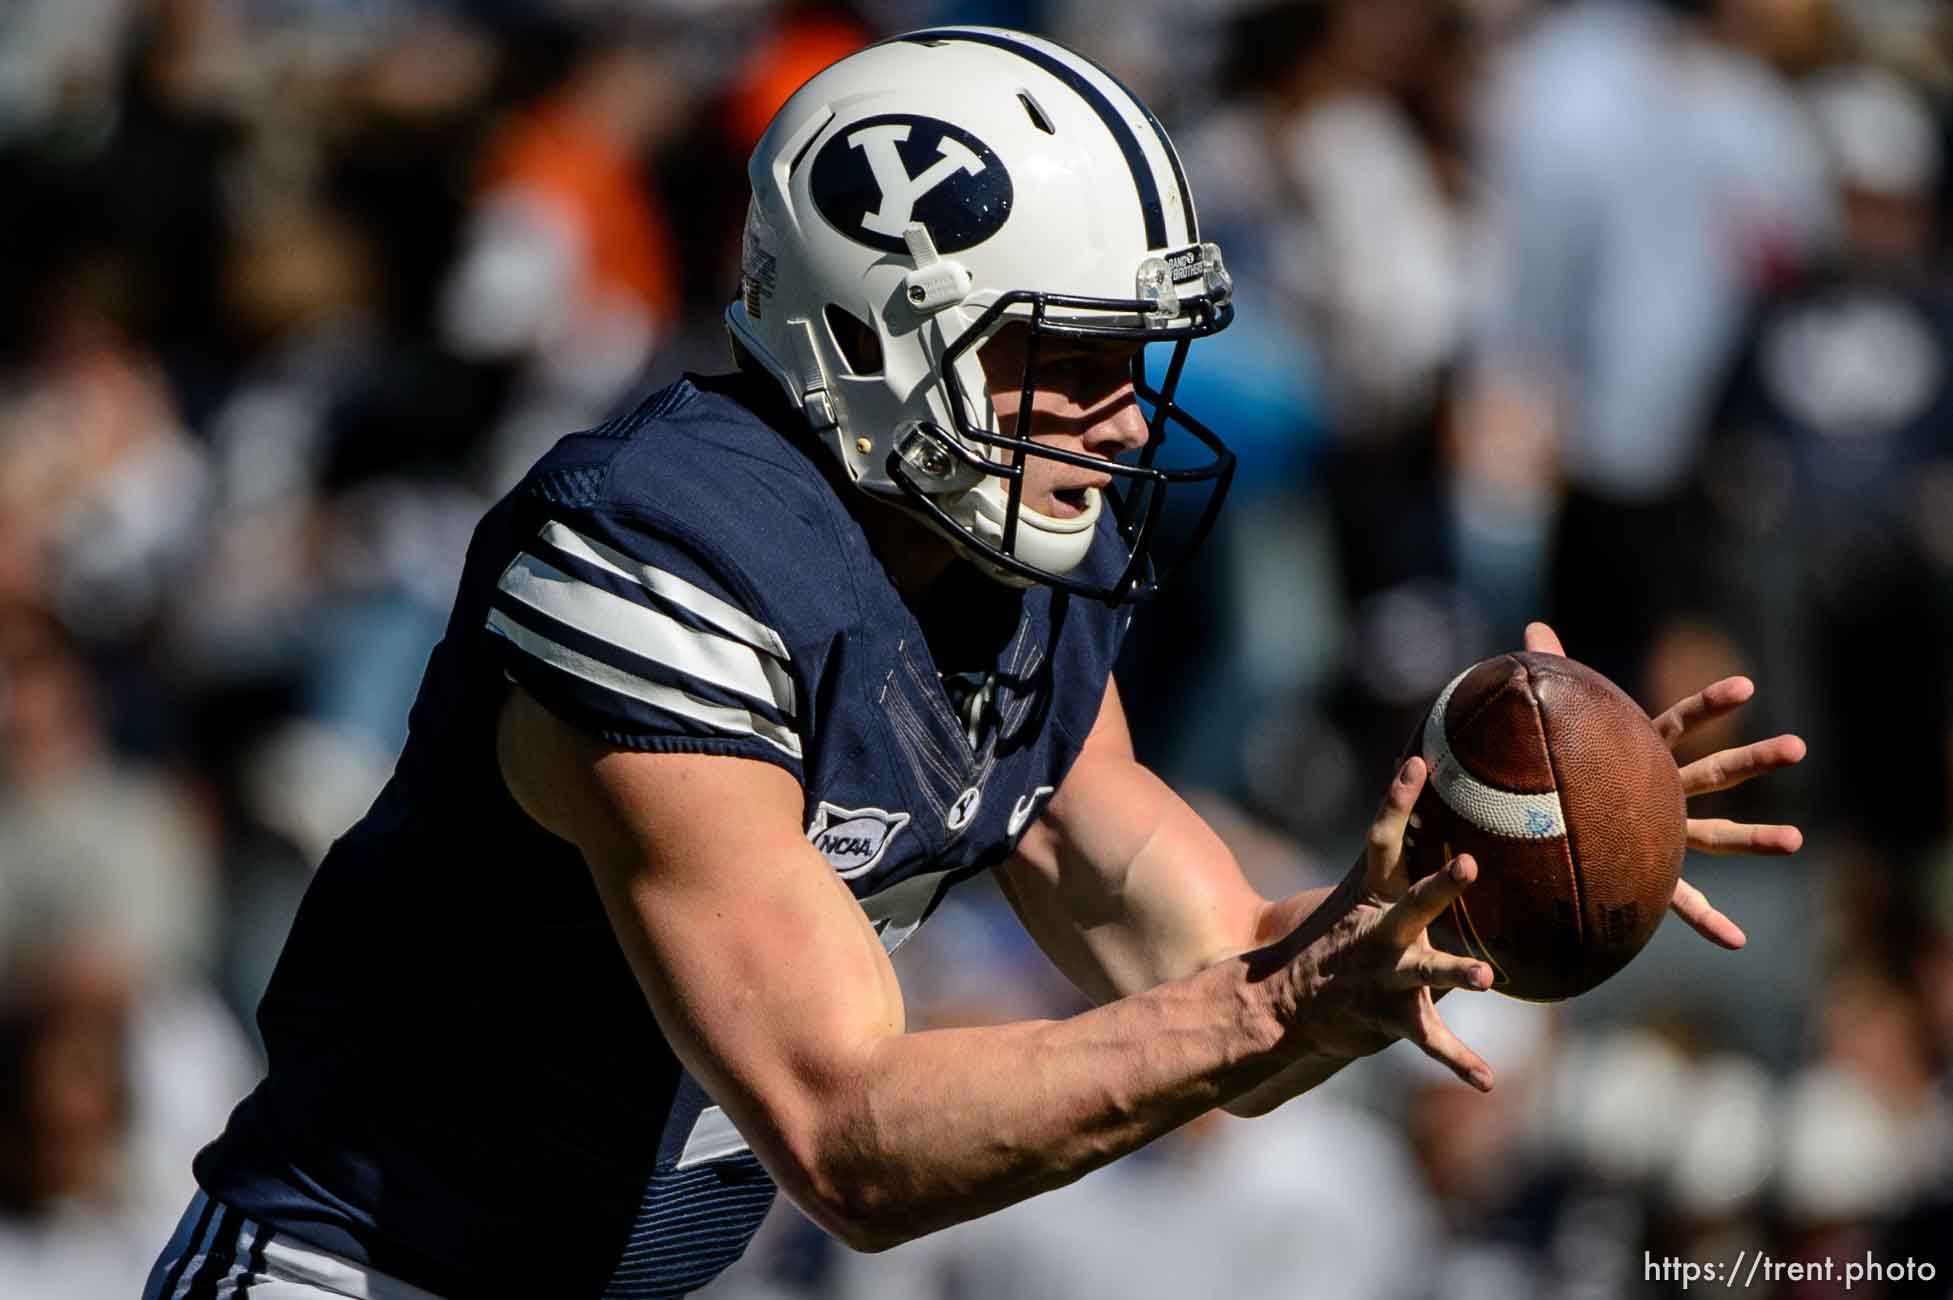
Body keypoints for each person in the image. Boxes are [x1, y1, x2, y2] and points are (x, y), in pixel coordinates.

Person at [143, 27, 1805, 1300]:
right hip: (355, 1270)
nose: (1119, 413)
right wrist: (1283, 998)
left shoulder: (1008, 558)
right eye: (1057, 356)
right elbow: (849, 1135)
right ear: (869, 327)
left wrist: (1473, 892)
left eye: (1128, 356)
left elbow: (1202, 956)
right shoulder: (661, 557)